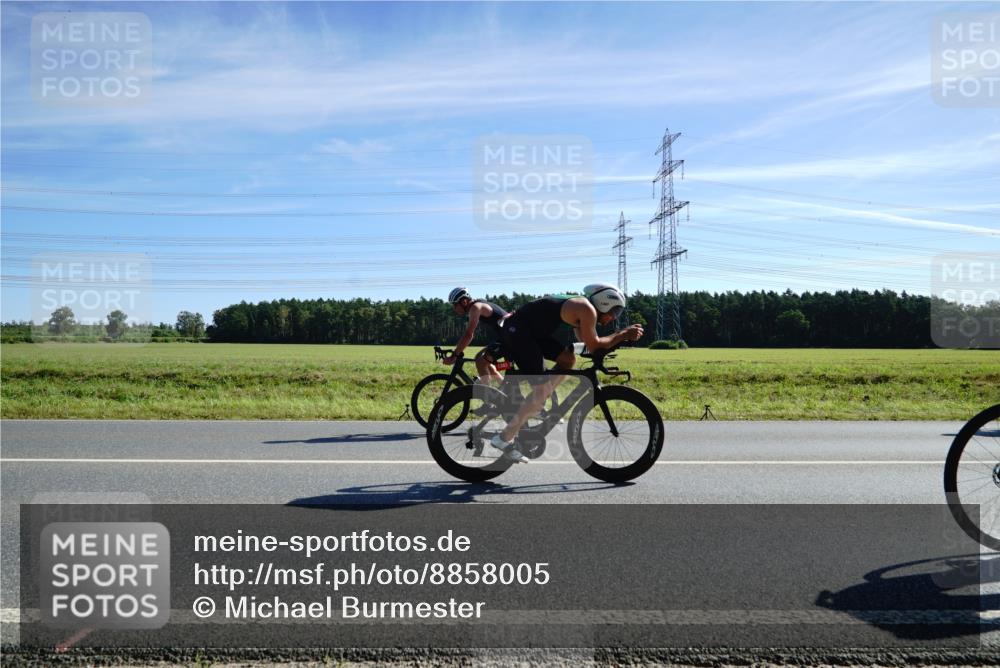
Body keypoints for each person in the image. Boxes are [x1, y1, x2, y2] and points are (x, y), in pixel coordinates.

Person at [491, 283, 643, 462]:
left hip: (529, 332)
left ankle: (537, 401)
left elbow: (587, 345)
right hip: (519, 332)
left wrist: (614, 340)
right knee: (541, 391)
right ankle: (503, 438)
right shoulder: (586, 309)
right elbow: (594, 344)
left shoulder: (583, 309)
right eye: (615, 311)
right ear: (604, 303)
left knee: (568, 360)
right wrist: (623, 334)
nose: (614, 317)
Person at [444, 287, 509, 385]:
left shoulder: (475, 307)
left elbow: (469, 335)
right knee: (480, 357)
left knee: (480, 363)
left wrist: (455, 355)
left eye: (455, 305)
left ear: (464, 302)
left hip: (510, 337)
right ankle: (504, 387)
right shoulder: (478, 304)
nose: (454, 308)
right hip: (506, 335)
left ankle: (487, 396)